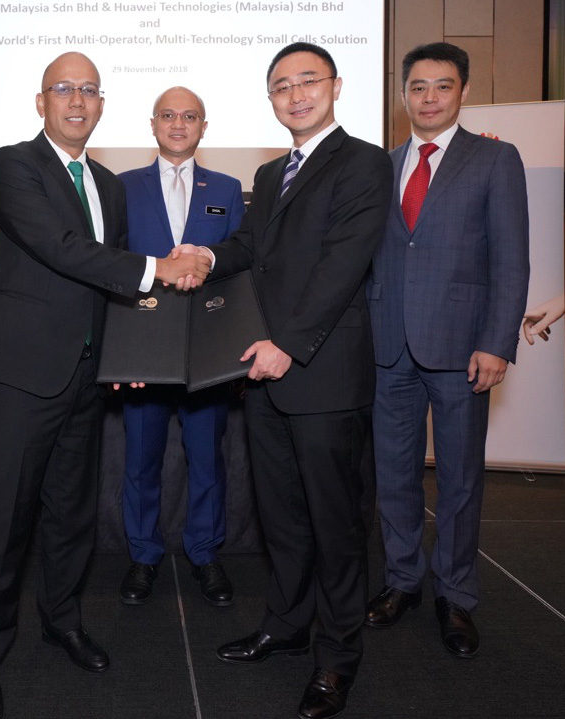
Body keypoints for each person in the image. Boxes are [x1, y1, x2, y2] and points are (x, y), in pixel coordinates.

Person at [0, 52, 213, 719]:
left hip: (86, 377)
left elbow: (109, 288)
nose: (77, 100)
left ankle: (62, 617)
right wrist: (160, 266)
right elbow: (61, 247)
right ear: (41, 100)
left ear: (102, 104)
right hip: (22, 374)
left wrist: (125, 350)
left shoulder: (107, 183)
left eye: (89, 90)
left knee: (71, 512)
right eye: (64, 89)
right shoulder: (12, 165)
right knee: (3, 520)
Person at [175, 42, 393, 719]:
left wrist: (290, 346)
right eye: (281, 86)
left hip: (318, 369)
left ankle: (337, 658)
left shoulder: (363, 162)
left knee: (335, 522)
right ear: (270, 100)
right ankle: (286, 623)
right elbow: (252, 250)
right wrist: (206, 253)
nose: (295, 94)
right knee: (282, 517)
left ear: (335, 85)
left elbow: (343, 264)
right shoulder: (271, 174)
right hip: (262, 370)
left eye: (308, 81)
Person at [365, 42, 530, 658]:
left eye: (441, 86)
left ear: (461, 92)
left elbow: (511, 262)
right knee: (395, 476)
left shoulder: (494, 158)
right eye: (417, 87)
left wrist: (497, 342)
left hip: (464, 350)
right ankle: (403, 580)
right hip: (388, 349)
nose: (428, 97)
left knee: (460, 480)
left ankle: (455, 595)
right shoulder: (379, 167)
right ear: (402, 94)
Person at [116, 87, 245, 608]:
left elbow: (238, 264)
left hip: (205, 350)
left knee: (207, 458)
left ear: (203, 126)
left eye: (189, 116)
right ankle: (143, 555)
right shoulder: (121, 187)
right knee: (141, 461)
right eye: (167, 115)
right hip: (143, 344)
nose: (178, 123)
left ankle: (205, 553)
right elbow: (112, 265)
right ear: (152, 124)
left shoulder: (230, 187)